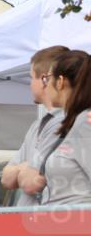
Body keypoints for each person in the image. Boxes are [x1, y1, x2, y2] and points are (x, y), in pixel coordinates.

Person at [1, 46, 70, 206]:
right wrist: (27, 168)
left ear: (45, 80)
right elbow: (6, 179)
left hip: (49, 217)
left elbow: (32, 182)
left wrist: (24, 168)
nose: (30, 85)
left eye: (32, 78)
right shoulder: (37, 125)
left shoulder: (66, 121)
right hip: (30, 217)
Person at [26, 50, 91, 206]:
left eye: (47, 78)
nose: (45, 85)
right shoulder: (75, 122)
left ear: (60, 81)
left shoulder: (85, 124)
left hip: (77, 218)